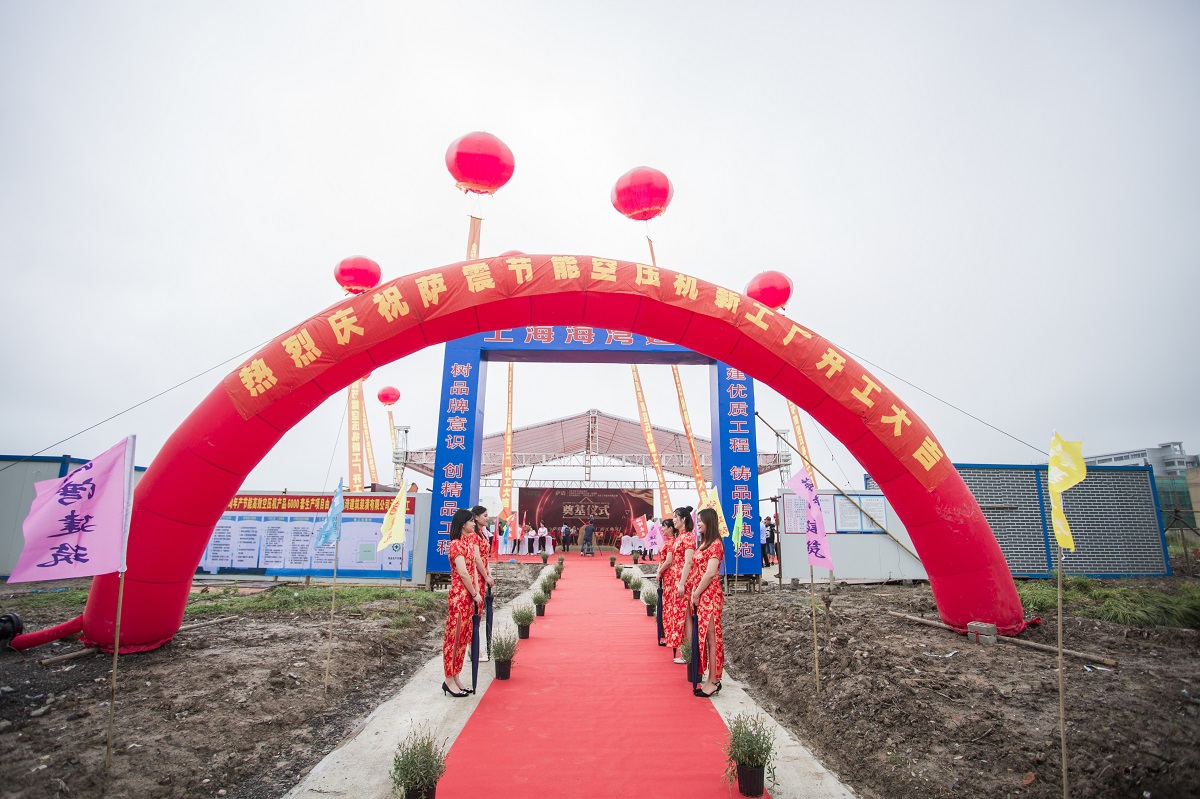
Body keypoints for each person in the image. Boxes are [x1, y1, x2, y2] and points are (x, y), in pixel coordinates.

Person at [442, 509, 482, 697]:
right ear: (463, 523)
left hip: (469, 597)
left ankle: (456, 677)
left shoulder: (468, 543)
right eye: (471, 521)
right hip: (459, 596)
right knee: (454, 638)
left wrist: (476, 593)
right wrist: (474, 593)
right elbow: (463, 573)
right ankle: (448, 679)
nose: (474, 524)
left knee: (463, 639)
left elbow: (473, 569)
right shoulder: (456, 545)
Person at [691, 507, 725, 698]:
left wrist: (697, 592)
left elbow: (711, 572)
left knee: (712, 638)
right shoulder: (705, 543)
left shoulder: (716, 544)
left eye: (701, 521)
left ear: (709, 522)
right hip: (701, 595)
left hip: (710, 596)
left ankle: (714, 680)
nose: (698, 524)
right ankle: (709, 678)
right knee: (705, 637)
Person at [666, 506, 695, 663]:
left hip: (684, 581)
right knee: (681, 616)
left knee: (686, 616)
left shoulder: (688, 537)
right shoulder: (680, 537)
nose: (673, 520)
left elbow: (689, 562)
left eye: (675, 517)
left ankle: (688, 653)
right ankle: (685, 650)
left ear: (683, 519)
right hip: (677, 580)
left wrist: (682, 583)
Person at [653, 517, 677, 646]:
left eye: (664, 527)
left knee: (669, 605)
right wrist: (659, 569)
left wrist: (660, 571)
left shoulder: (672, 542)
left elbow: (668, 561)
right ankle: (668, 634)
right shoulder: (667, 542)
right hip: (666, 576)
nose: (662, 529)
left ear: (671, 528)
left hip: (670, 576)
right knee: (666, 605)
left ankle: (670, 635)